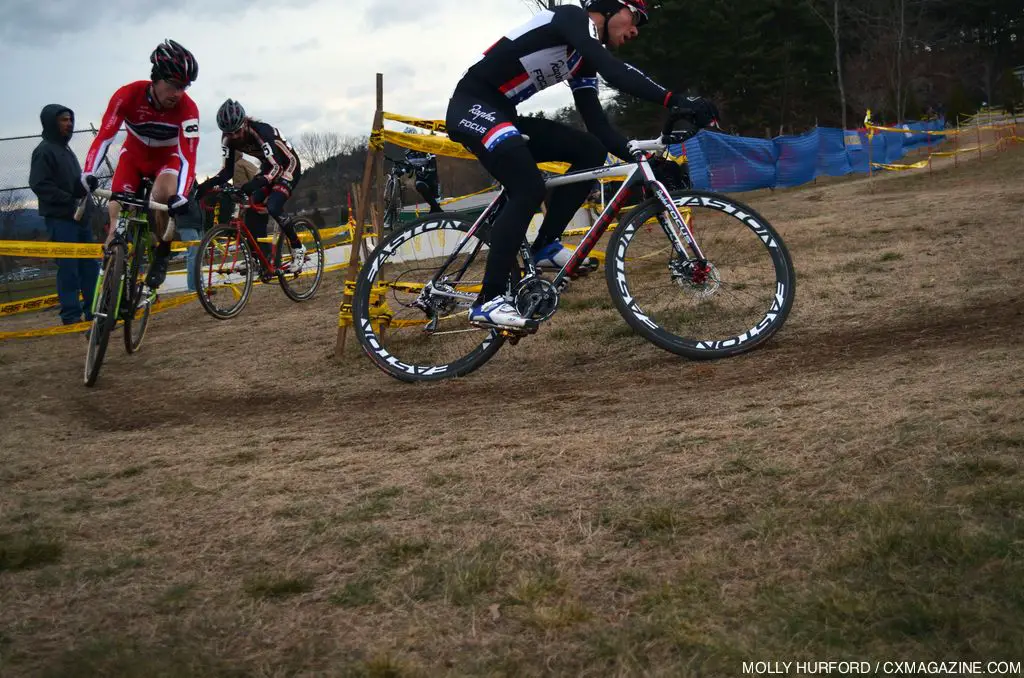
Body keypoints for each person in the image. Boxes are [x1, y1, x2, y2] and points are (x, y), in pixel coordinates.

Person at [445, 0, 718, 329]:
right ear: (611, 7)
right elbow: (615, 70)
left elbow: (599, 128)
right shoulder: (571, 17)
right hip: (471, 104)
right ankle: (488, 301)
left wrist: (642, 159)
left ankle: (545, 244)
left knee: (590, 150)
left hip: (502, 113)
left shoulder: (582, 59)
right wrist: (677, 100)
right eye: (635, 18)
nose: (635, 30)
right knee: (527, 187)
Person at [80, 39, 200, 292]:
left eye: (184, 87)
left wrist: (182, 193)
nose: (179, 93)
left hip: (166, 159)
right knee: (116, 215)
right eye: (173, 85)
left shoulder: (188, 109)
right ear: (156, 78)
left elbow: (189, 156)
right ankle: (109, 289)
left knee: (164, 196)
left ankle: (163, 250)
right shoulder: (127, 95)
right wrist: (88, 172)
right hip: (133, 158)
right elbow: (105, 136)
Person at [196, 99, 305, 271]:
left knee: (273, 206)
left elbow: (277, 167)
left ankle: (299, 248)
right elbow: (226, 172)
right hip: (269, 167)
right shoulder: (228, 138)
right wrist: (205, 187)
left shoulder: (260, 132)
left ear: (245, 122)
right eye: (229, 133)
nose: (234, 136)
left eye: (237, 131)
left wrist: (254, 183)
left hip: (288, 166)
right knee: (252, 210)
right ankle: (259, 258)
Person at [28, 104, 99, 325]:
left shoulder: (66, 151)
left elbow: (74, 186)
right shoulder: (44, 150)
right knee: (69, 268)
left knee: (90, 268)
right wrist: (69, 202)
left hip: (81, 219)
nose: (69, 124)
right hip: (61, 220)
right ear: (51, 122)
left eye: (70, 119)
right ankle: (70, 315)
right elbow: (39, 184)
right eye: (63, 120)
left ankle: (93, 311)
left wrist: (86, 186)